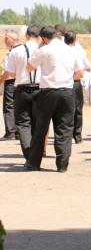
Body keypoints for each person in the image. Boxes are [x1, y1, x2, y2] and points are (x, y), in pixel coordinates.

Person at [26, 26, 85, 172]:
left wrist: (40, 48)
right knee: (65, 128)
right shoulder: (71, 50)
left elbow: (29, 67)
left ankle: (34, 163)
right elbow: (80, 73)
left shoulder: (45, 50)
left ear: (44, 38)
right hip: (67, 92)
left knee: (41, 128)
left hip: (48, 92)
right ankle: (62, 164)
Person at [5, 25, 40, 160]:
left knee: (23, 124)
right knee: (38, 123)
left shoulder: (17, 51)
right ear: (39, 36)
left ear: (26, 35)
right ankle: (37, 155)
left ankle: (29, 157)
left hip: (22, 90)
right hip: (40, 90)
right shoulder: (43, 50)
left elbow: (11, 73)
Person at [64, 31, 91, 144]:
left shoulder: (60, 52)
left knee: (65, 111)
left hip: (63, 84)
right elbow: (87, 67)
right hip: (75, 83)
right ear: (75, 40)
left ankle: (67, 135)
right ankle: (77, 136)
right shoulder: (77, 52)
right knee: (78, 110)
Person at [1, 31, 19, 140]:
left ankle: (10, 132)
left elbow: (7, 71)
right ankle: (17, 131)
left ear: (11, 39)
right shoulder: (21, 50)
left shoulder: (12, 52)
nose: (4, 41)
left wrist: (1, 80)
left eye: (6, 39)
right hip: (19, 81)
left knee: (8, 106)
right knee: (17, 106)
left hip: (11, 81)